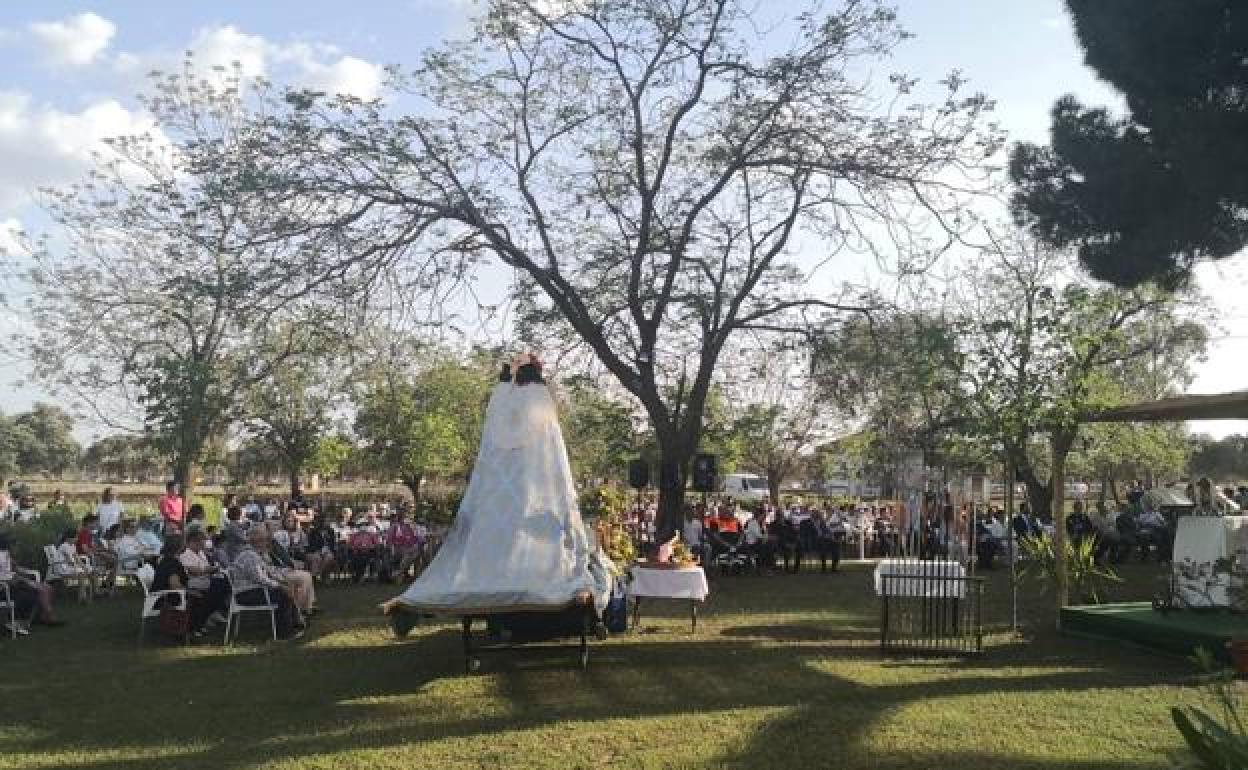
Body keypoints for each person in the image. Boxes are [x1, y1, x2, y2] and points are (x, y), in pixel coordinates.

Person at [380, 353, 614, 637]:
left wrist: (505, 380)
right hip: (527, 484)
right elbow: (551, 448)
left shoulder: (502, 400)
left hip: (504, 489)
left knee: (504, 542)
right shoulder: (539, 398)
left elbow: (498, 434)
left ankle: (498, 622)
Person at [231, 527, 304, 640]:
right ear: (257, 541)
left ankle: (296, 623)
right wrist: (279, 585)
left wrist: (281, 580)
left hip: (254, 590)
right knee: (283, 595)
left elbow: (268, 571)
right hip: (246, 594)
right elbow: (259, 578)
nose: (266, 543)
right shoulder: (249, 555)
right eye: (265, 540)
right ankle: (284, 633)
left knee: (287, 589)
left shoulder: (255, 554)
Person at [0, 532, 65, 633]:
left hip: (14, 582)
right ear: (6, 543)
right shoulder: (1, 556)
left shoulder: (6, 554)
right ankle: (47, 617)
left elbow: (14, 568)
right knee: (40, 590)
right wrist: (24, 579)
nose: (15, 545)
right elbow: (5, 576)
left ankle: (43, 616)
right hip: (6, 586)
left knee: (47, 588)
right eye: (13, 543)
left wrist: (26, 573)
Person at [179, 530, 229, 636]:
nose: (202, 545)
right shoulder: (185, 555)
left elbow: (205, 567)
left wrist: (212, 569)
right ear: (192, 542)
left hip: (206, 579)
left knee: (224, 584)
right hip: (193, 581)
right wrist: (211, 569)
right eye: (200, 543)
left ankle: (209, 613)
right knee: (219, 586)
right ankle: (205, 616)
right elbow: (194, 571)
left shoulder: (201, 553)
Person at [384, 509, 423, 583]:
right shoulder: (395, 527)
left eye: (407, 518)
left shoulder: (410, 528)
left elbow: (415, 539)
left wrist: (415, 545)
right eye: (404, 518)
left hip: (409, 549)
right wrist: (392, 548)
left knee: (416, 552)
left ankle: (401, 572)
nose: (407, 520)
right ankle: (399, 573)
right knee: (409, 555)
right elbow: (389, 540)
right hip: (397, 549)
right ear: (400, 518)